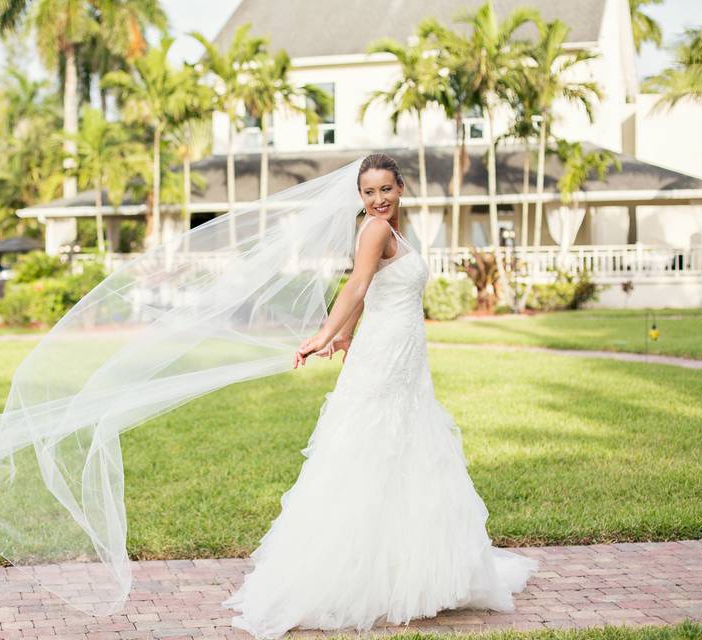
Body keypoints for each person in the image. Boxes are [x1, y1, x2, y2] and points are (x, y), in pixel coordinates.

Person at [221, 153, 539, 638]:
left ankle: (401, 571)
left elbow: (368, 292)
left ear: (401, 187)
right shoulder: (373, 230)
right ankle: (353, 575)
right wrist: (325, 334)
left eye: (384, 190)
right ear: (360, 195)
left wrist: (345, 334)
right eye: (368, 192)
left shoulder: (389, 233)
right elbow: (357, 284)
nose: (376, 200)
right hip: (386, 361)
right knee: (373, 450)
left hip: (401, 358)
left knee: (403, 452)